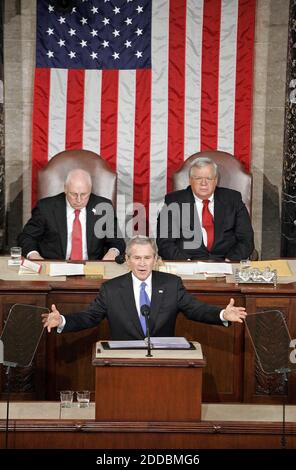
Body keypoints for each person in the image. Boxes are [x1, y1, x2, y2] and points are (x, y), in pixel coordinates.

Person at [42, 236, 247, 340]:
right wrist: (62, 321)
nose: (142, 263)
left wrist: (221, 314)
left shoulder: (171, 284)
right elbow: (90, 316)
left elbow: (196, 309)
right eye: (137, 258)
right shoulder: (111, 289)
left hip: (162, 359)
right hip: (122, 359)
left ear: (156, 260)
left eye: (147, 258)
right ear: (128, 260)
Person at [156, 157, 254, 261]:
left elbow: (246, 239)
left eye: (209, 178)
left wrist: (230, 260)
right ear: (190, 180)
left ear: (216, 180)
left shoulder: (233, 199)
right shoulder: (173, 201)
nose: (204, 183)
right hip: (188, 265)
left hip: (226, 263)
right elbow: (165, 243)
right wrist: (186, 263)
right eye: (198, 178)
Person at [17, 168, 125, 261]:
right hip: (54, 266)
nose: (78, 200)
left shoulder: (103, 207)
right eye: (73, 194)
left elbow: (117, 240)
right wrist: (34, 254)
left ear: (90, 190)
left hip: (92, 268)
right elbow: (26, 237)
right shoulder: (46, 208)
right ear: (65, 189)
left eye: (84, 194)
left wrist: (113, 252)